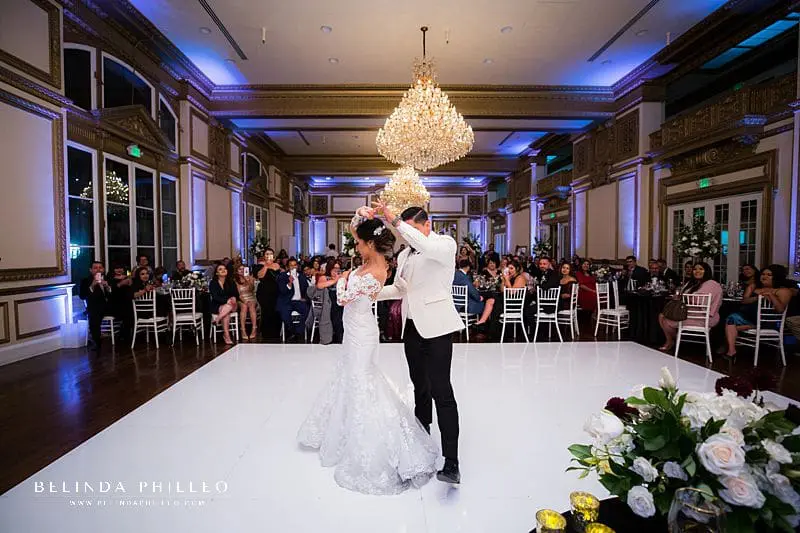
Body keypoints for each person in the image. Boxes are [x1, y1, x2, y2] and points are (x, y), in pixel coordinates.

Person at [297, 209, 438, 494]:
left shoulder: (377, 270)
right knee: (349, 377)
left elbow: (342, 299)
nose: (356, 246)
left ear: (370, 245)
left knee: (363, 380)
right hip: (352, 331)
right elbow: (354, 232)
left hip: (363, 333)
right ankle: (344, 430)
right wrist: (359, 217)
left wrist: (342, 280)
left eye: (360, 243)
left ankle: (377, 440)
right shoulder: (364, 261)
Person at [372, 202, 465, 485]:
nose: (409, 236)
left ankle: (452, 462)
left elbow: (421, 244)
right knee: (419, 389)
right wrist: (369, 293)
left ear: (427, 225)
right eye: (407, 232)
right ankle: (421, 447)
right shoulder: (405, 256)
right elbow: (400, 289)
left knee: (442, 391)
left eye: (415, 230)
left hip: (437, 329)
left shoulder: (443, 245)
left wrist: (395, 220)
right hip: (412, 329)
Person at [720, 265, 792, 358]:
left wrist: (771, 296)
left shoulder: (783, 291)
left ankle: (747, 328)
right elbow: (744, 301)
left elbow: (780, 309)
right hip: (748, 317)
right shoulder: (754, 286)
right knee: (731, 318)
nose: (764, 276)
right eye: (763, 274)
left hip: (769, 321)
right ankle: (731, 351)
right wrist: (757, 297)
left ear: (777, 276)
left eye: (769, 275)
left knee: (729, 327)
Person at [657, 262, 722, 353]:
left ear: (706, 271)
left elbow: (698, 300)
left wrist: (684, 297)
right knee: (661, 315)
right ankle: (672, 340)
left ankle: (672, 340)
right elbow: (683, 295)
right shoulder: (692, 283)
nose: (697, 271)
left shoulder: (712, 284)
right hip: (689, 314)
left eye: (701, 269)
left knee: (665, 320)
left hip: (704, 317)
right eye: (695, 269)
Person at [79, 261, 111, 351]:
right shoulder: (85, 281)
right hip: (95, 307)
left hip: (109, 306)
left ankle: (124, 338)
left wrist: (108, 287)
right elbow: (82, 296)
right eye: (95, 268)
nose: (98, 270)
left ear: (103, 269)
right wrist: (92, 286)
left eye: (100, 267)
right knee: (94, 316)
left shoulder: (108, 279)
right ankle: (97, 342)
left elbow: (113, 295)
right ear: (91, 270)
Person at [276, 258, 310, 342]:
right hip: (287, 301)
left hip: (298, 301)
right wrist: (290, 283)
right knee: (285, 314)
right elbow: (282, 290)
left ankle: (298, 331)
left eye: (295, 265)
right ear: (288, 267)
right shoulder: (283, 276)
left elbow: (306, 289)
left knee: (307, 310)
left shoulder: (301, 276)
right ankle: (292, 331)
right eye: (291, 265)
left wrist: (304, 298)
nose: (293, 267)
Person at [453, 259, 495, 325]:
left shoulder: (455, 274)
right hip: (466, 305)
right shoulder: (464, 277)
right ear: (468, 267)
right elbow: (472, 291)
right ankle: (483, 325)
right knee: (485, 301)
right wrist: (478, 298)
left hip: (455, 304)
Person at [209, 263, 239, 345]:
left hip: (232, 304)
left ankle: (218, 319)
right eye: (220, 269)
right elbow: (215, 296)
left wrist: (233, 298)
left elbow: (236, 294)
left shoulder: (231, 282)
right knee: (226, 312)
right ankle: (226, 335)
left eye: (224, 269)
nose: (223, 270)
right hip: (217, 305)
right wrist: (226, 301)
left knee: (228, 307)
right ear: (216, 273)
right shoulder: (213, 283)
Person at [255, 248, 281, 340]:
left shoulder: (277, 265)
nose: (268, 256)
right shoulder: (260, 265)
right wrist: (266, 266)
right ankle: (266, 333)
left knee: (275, 310)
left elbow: (278, 273)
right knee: (266, 311)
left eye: (270, 254)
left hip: (275, 291)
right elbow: (260, 276)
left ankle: (276, 332)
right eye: (267, 254)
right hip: (264, 291)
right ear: (264, 256)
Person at [235, 264, 257, 340]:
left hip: (251, 297)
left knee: (251, 306)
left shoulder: (250, 278)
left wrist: (248, 281)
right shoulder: (235, 280)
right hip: (241, 298)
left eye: (243, 269)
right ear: (237, 271)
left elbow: (252, 289)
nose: (242, 270)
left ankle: (254, 329)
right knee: (244, 307)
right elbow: (237, 294)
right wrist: (244, 301)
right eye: (240, 269)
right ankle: (243, 330)